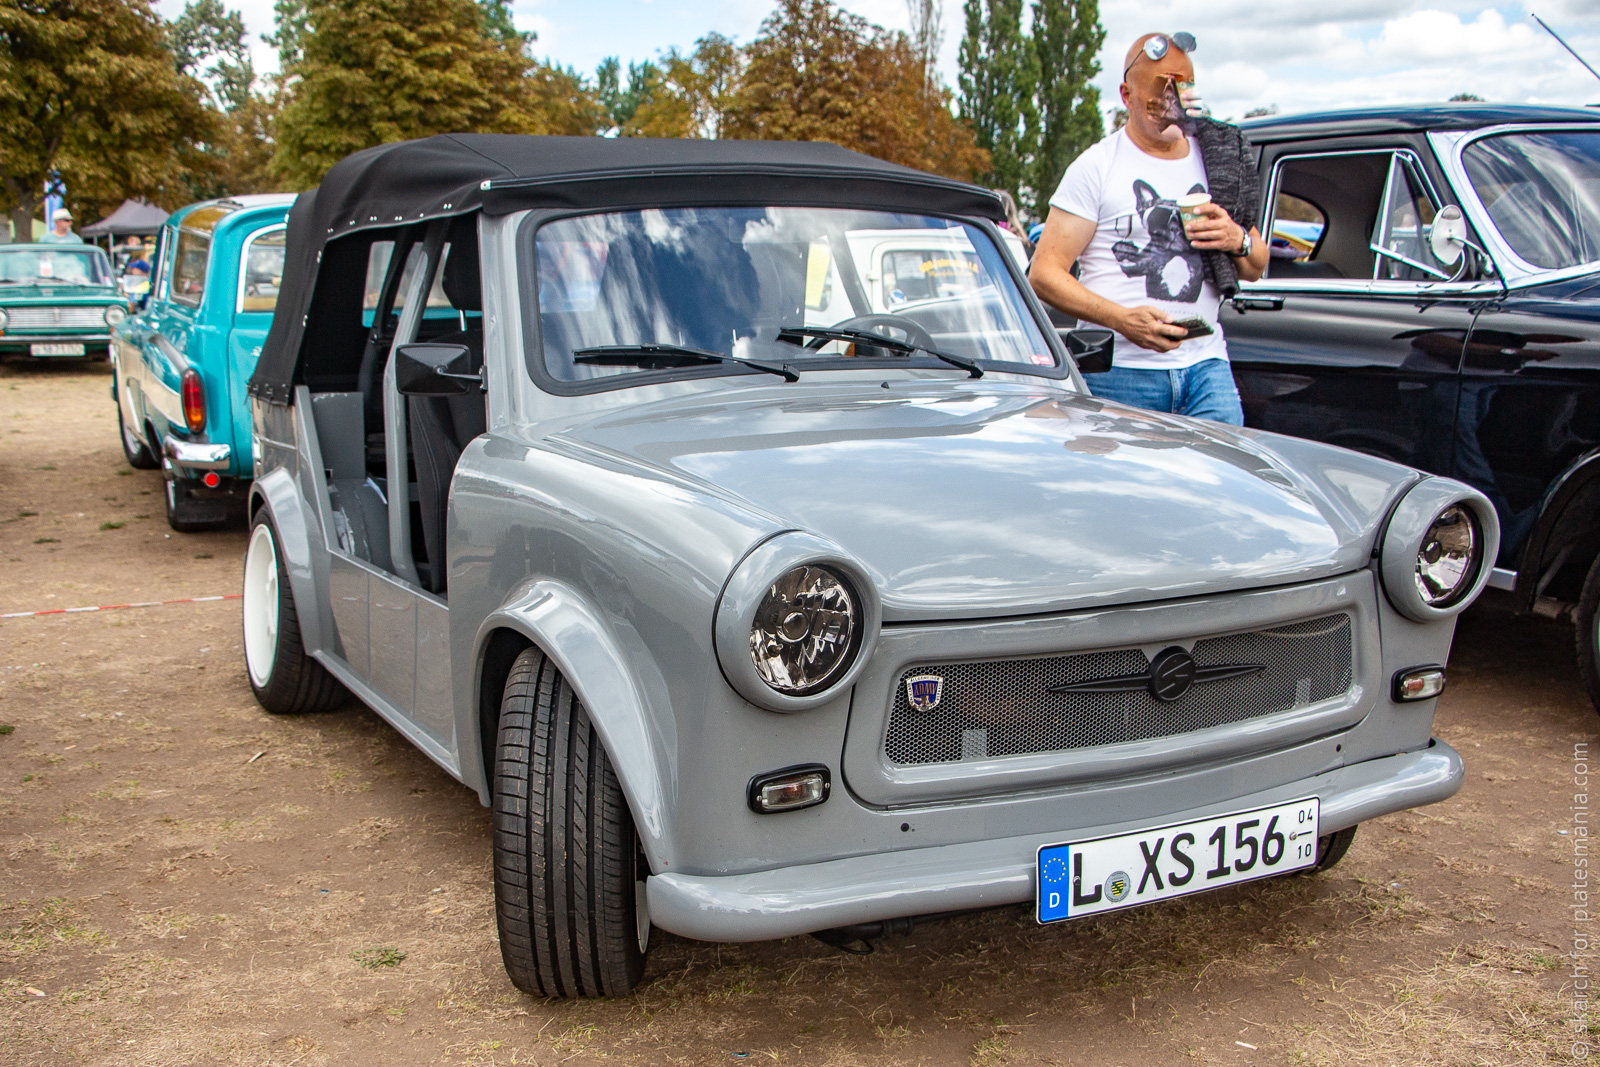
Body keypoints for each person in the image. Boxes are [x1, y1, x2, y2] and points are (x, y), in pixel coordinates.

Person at [1029, 32, 1269, 425]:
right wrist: (1122, 320)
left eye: (1184, 87)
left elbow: (1256, 267)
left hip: (1206, 368)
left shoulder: (1219, 159)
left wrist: (1236, 238)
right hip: (1120, 373)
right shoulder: (1096, 166)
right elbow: (1043, 274)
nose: (1174, 102)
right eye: (1161, 90)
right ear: (1127, 95)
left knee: (1225, 467)